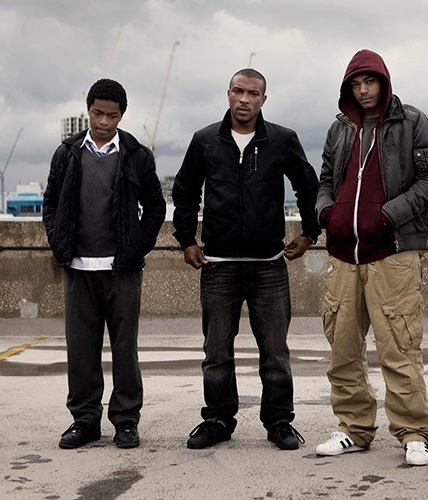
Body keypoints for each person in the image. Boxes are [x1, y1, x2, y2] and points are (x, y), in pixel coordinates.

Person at [172, 68, 320, 451]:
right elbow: (185, 192)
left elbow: (308, 187)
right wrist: (186, 239)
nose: (244, 99)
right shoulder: (205, 140)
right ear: (227, 94)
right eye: (238, 91)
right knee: (216, 352)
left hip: (269, 264)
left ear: (263, 100)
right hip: (217, 264)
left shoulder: (283, 140)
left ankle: (279, 422)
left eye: (253, 93)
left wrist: (309, 233)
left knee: (275, 352)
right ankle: (218, 419)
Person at [314, 49, 428, 466]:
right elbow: (326, 179)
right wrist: (326, 213)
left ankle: (414, 432)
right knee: (343, 347)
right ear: (348, 87)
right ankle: (354, 428)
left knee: (399, 346)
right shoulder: (340, 128)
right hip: (343, 254)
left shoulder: (412, 121)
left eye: (370, 82)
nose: (364, 90)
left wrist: (388, 215)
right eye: (357, 83)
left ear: (384, 83)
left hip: (392, 252)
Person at [43, 78, 167, 450]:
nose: (104, 122)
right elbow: (50, 203)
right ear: (88, 109)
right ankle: (84, 421)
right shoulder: (67, 153)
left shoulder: (136, 154)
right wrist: (58, 242)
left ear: (122, 115)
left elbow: (156, 206)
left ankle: (126, 422)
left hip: (122, 270)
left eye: (112, 116)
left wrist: (136, 249)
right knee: (80, 350)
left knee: (125, 350)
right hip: (78, 268)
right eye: (98, 114)